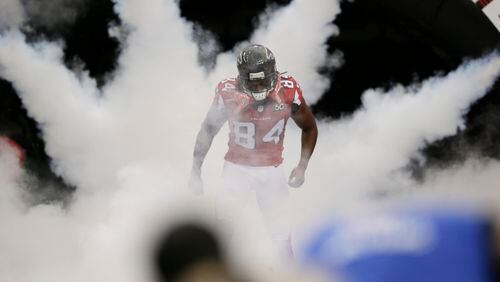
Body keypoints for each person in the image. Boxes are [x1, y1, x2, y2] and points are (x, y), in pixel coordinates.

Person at [189, 44, 318, 258]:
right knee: (222, 231)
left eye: (262, 81)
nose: (258, 88)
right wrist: (195, 170)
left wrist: (302, 166)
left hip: (272, 169)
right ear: (241, 78)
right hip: (236, 168)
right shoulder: (227, 92)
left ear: (274, 75)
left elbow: (310, 127)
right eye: (252, 82)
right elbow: (208, 130)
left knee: (281, 236)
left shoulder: (287, 90)